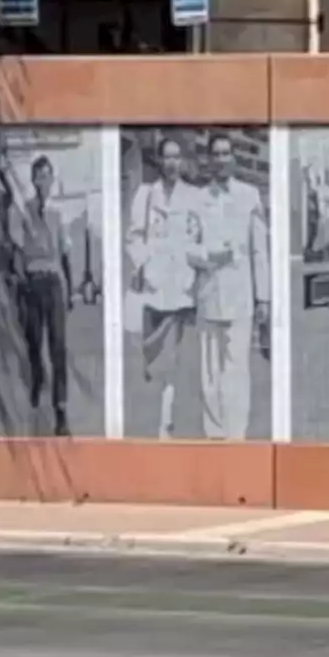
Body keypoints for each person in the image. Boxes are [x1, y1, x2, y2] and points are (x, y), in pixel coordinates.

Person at [188, 132, 269, 441]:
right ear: (208, 160)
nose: (221, 159)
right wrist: (209, 256)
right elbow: (188, 248)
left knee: (236, 371)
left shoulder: (249, 196)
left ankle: (236, 437)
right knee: (209, 374)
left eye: (226, 153)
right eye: (216, 154)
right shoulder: (197, 199)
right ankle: (214, 435)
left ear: (233, 158)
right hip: (209, 294)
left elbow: (260, 250)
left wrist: (264, 297)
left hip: (240, 295)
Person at [127, 135, 199, 439]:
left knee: (171, 357)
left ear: (182, 161)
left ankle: (165, 422)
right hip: (155, 286)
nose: (172, 163)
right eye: (167, 157)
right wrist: (145, 267)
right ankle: (160, 390)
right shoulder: (146, 195)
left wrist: (192, 274)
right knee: (155, 353)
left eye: (176, 157)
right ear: (159, 161)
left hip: (180, 287)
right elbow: (133, 237)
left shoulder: (192, 196)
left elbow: (197, 237)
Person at [9, 155, 73, 437]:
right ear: (33, 180)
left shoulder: (60, 213)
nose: (43, 181)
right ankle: (37, 378)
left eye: (48, 176)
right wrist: (20, 285)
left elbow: (66, 254)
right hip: (32, 285)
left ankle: (61, 409)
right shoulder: (24, 211)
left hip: (54, 284)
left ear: (52, 179)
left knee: (58, 346)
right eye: (39, 176)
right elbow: (18, 252)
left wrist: (69, 290)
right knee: (34, 342)